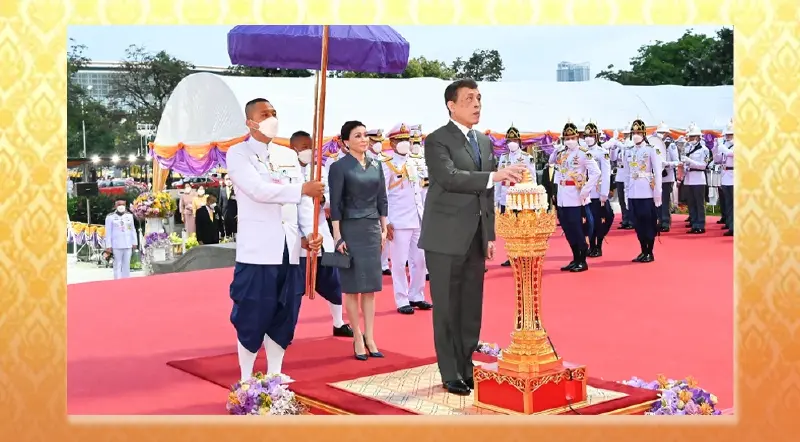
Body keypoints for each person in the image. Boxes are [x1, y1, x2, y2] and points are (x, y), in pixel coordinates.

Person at [418, 78, 527, 396]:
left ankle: (467, 367)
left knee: (470, 307)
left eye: (479, 98)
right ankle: (450, 371)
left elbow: (485, 194)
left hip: (475, 236)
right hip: (444, 238)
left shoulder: (483, 141)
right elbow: (450, 178)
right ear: (451, 105)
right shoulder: (437, 140)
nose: (477, 104)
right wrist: (494, 175)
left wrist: (489, 234)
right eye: (469, 99)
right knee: (448, 307)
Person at [226, 98, 324, 381]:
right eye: (264, 114)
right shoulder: (238, 153)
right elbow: (257, 190)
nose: (271, 118)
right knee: (253, 311)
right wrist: (302, 189)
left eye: (274, 113)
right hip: (258, 250)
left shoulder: (287, 155)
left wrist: (309, 233)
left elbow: (305, 201)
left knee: (285, 312)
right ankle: (246, 377)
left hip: (289, 248)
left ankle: (275, 374)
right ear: (251, 122)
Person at [328, 120, 389, 361]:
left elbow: (382, 198)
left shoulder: (377, 165)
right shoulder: (339, 167)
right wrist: (338, 236)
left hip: (372, 229)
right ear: (346, 142)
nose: (364, 139)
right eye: (357, 136)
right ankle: (356, 338)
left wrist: (384, 228)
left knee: (371, 288)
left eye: (365, 135)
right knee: (353, 288)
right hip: (350, 230)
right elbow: (336, 204)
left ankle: (370, 336)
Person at [290, 130, 354, 337]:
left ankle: (338, 323)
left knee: (333, 281)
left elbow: (328, 195)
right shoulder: (286, 171)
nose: (307, 151)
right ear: (293, 149)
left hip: (320, 234)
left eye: (310, 147)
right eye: (302, 147)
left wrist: (322, 199)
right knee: (294, 288)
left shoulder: (318, 169)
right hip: (296, 238)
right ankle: (286, 329)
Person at [382, 123, 432, 315]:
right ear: (392, 143)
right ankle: (401, 299)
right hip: (398, 221)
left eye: (406, 140)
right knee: (399, 262)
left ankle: (417, 295)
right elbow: (383, 195)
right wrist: (386, 222)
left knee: (419, 261)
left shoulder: (414, 162)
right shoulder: (386, 165)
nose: (404, 143)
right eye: (400, 140)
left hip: (417, 218)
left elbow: (420, 190)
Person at [553, 121, 601, 272]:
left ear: (577, 137)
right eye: (566, 138)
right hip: (562, 196)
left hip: (575, 196)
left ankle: (582, 260)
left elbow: (596, 172)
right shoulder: (562, 154)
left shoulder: (583, 153)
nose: (569, 141)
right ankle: (575, 258)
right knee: (567, 229)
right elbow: (556, 170)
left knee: (577, 228)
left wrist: (585, 190)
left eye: (572, 137)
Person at [495, 125, 537, 266]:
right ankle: (512, 255)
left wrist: (533, 200)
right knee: (509, 229)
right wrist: (497, 198)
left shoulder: (526, 157)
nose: (511, 143)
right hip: (506, 197)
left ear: (519, 141)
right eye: (509, 140)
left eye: (514, 140)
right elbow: (499, 179)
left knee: (522, 227)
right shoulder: (503, 158)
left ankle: (524, 254)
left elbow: (532, 178)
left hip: (520, 198)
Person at [625, 119, 663, 262]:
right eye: (633, 132)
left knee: (648, 222)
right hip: (634, 191)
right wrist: (627, 193)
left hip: (647, 190)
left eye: (638, 132)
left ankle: (649, 251)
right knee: (637, 223)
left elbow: (658, 172)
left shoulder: (651, 149)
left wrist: (657, 193)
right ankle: (642, 250)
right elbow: (627, 174)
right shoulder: (628, 151)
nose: (636, 135)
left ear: (644, 134)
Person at [584, 122, 614, 258]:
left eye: (591, 135)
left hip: (597, 191)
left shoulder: (602, 153)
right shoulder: (582, 152)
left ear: (596, 136)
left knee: (603, 218)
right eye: (586, 135)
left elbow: (606, 174)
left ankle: (599, 245)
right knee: (589, 221)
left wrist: (604, 193)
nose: (588, 138)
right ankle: (591, 245)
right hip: (586, 192)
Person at [366, 128, 392, 275]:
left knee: (383, 235)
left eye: (380, 142)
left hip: (381, 203)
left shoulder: (385, 160)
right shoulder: (363, 158)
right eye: (375, 141)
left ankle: (383, 264)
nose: (378, 144)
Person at [681, 123, 711, 234]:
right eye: (690, 137)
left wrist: (690, 161)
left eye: (693, 137)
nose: (690, 139)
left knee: (699, 203)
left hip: (699, 178)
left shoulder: (704, 150)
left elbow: (703, 165)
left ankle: (700, 225)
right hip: (689, 178)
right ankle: (694, 224)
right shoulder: (687, 148)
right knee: (691, 203)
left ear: (698, 137)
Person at [656, 123, 680, 232]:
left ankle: (665, 222)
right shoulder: (655, 145)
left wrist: (667, 164)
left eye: (662, 133)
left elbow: (677, 162)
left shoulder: (671, 145)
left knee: (665, 201)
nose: (660, 135)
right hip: (657, 177)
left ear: (666, 134)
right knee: (657, 201)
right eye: (659, 132)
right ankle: (659, 221)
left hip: (667, 176)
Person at [104, 200, 137, 280]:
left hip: (128, 244)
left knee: (127, 264)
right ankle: (117, 282)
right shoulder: (110, 217)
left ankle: (126, 281)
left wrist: (134, 242)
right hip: (116, 245)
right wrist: (108, 246)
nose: (121, 206)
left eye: (123, 204)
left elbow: (132, 229)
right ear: (115, 206)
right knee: (117, 265)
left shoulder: (129, 216)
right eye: (119, 204)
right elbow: (108, 232)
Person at [611, 123, 634, 229]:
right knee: (621, 199)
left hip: (628, 175)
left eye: (627, 134)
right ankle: (625, 219)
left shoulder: (632, 145)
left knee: (628, 198)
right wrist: (613, 147)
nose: (625, 136)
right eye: (624, 134)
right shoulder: (621, 146)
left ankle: (631, 220)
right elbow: (613, 158)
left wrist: (620, 144)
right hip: (620, 174)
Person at [717, 121, 734, 237]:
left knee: (734, 204)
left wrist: (722, 147)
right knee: (728, 204)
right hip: (725, 176)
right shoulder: (725, 145)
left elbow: (730, 154)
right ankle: (730, 224)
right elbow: (718, 159)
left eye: (730, 134)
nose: (728, 137)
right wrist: (716, 148)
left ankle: (734, 227)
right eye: (727, 135)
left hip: (734, 175)